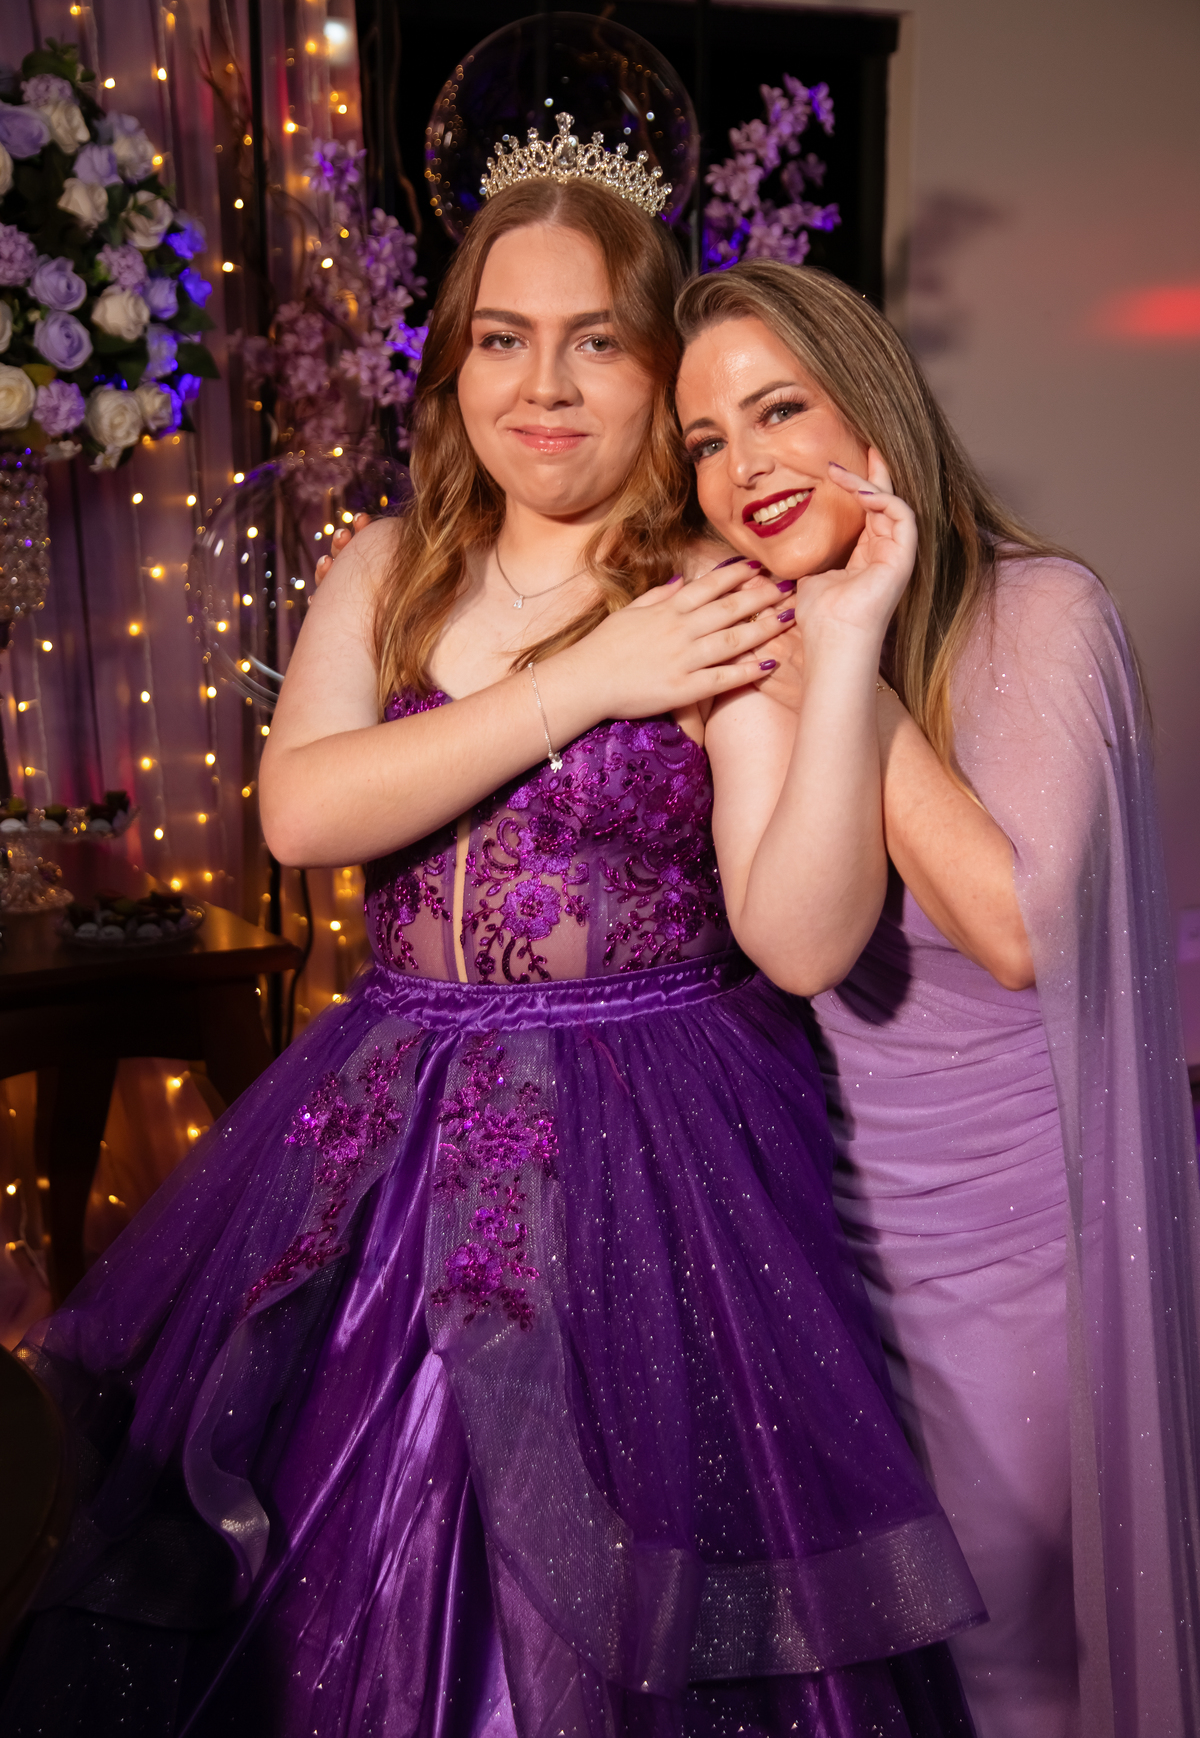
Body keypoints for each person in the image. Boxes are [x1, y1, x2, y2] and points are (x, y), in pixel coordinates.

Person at [0, 166, 985, 1735]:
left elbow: (800, 943)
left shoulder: (712, 596)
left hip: (645, 1141)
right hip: (382, 1118)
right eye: (504, 338)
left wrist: (843, 642)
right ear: (454, 366)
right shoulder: (389, 567)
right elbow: (304, 811)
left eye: (597, 341)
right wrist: (586, 679)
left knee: (614, 1566)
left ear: (660, 370)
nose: (545, 385)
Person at [670, 258, 1200, 1738]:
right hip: (832, 1250)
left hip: (1029, 1253)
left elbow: (1021, 933)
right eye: (706, 440)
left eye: (778, 410)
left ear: (873, 412)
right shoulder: (756, 645)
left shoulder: (1044, 611)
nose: (743, 467)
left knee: (1020, 1656)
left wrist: (858, 678)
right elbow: (790, 944)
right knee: (889, 1668)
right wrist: (808, 664)